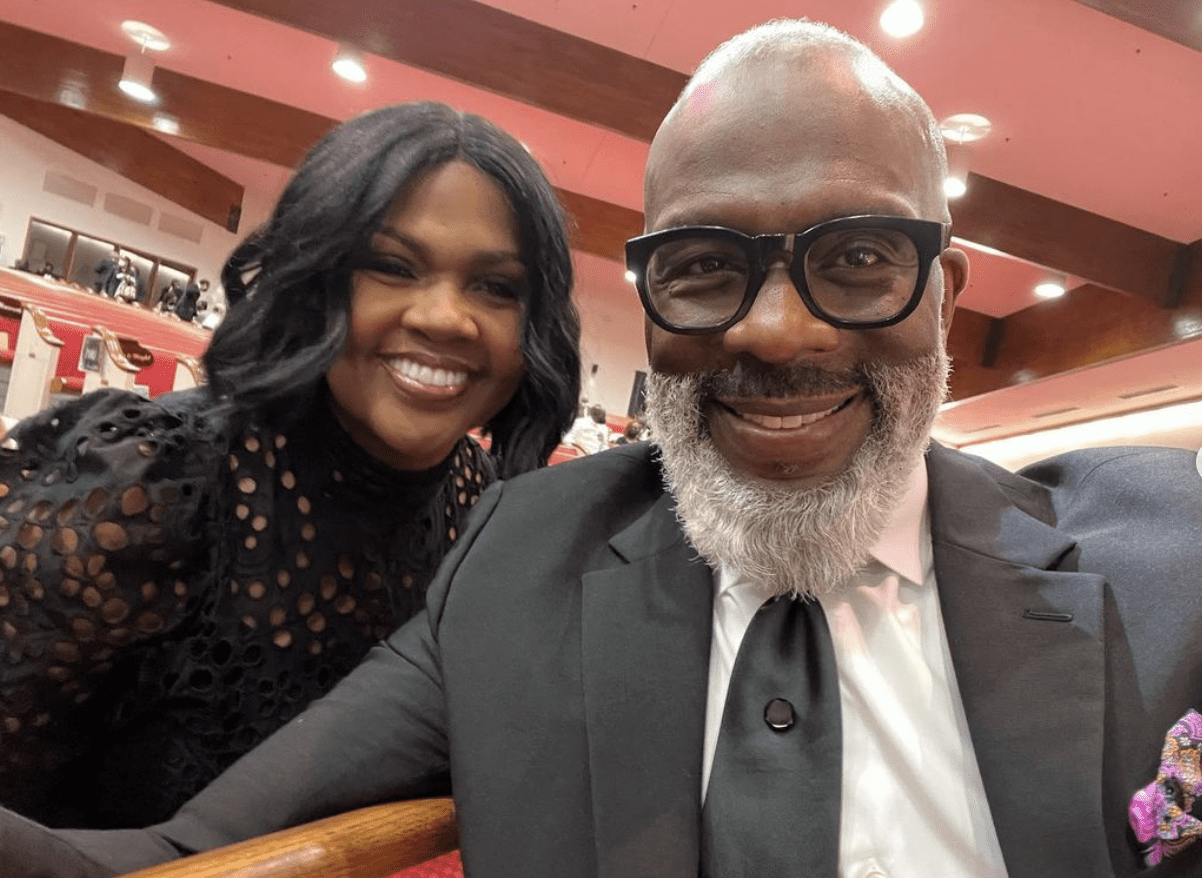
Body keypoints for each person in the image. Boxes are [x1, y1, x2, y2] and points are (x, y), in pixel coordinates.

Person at [4, 19, 1202, 878]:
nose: (772, 329)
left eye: (855, 260)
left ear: (941, 294)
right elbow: (172, 855)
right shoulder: (517, 565)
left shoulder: (1160, 561)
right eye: (701, 268)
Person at [0, 100, 579, 832]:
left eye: (497, 287)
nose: (445, 317)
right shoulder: (159, 485)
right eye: (391, 267)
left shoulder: (492, 520)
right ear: (315, 281)